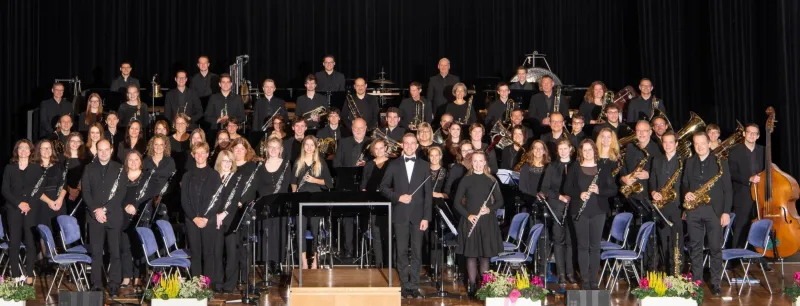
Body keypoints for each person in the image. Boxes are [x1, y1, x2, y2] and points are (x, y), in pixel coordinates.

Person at [379, 133, 432, 299]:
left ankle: (414, 286)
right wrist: (398, 197)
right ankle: (403, 285)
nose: (409, 146)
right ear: (403, 145)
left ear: (417, 146)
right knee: (401, 252)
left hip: (418, 217)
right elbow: (383, 187)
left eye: (412, 144)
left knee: (417, 252)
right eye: (406, 143)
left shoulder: (424, 165)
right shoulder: (394, 165)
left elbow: (428, 194)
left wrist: (426, 217)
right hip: (400, 214)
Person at [683, 131, 732, 296]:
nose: (699, 147)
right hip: (694, 211)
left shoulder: (721, 162)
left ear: (709, 143)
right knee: (695, 248)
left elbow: (728, 190)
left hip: (714, 211)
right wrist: (686, 193)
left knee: (715, 249)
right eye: (696, 143)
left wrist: (726, 212)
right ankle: (697, 282)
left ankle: (716, 283)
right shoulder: (689, 162)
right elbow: (684, 184)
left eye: (702, 143)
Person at [565, 139, 617, 289]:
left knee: (595, 247)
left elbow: (613, 189)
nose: (587, 153)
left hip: (598, 211)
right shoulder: (575, 167)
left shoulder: (603, 168)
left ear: (595, 151)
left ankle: (594, 281)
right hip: (579, 211)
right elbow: (567, 188)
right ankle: (585, 281)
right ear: (581, 152)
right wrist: (579, 194)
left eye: (590, 150)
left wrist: (599, 191)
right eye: (584, 150)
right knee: (582, 246)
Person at [453, 151, 503, 296]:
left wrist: (489, 209)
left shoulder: (491, 180)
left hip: (487, 221)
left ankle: (485, 286)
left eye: (480, 161)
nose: (478, 164)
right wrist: (468, 215)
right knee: (471, 255)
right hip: (470, 221)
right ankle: (472, 285)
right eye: (475, 161)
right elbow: (457, 203)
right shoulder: (466, 180)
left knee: (485, 255)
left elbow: (500, 201)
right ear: (471, 163)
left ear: (485, 162)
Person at [82, 139, 127, 295]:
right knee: (96, 252)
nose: (103, 152)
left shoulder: (120, 169)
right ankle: (96, 284)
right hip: (94, 217)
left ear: (112, 149)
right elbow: (86, 192)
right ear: (96, 150)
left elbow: (120, 193)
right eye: (100, 150)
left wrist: (105, 209)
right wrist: (96, 210)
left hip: (113, 216)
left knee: (115, 252)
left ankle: (114, 284)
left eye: (106, 149)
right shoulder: (88, 168)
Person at [2, 140, 41, 285]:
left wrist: (27, 204)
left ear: (31, 151)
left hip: (30, 210)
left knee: (30, 242)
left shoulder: (36, 169)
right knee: (14, 243)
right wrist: (19, 203)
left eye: (26, 148)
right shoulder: (9, 168)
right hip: (13, 209)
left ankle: (29, 273)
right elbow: (5, 190)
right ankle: (15, 276)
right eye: (20, 148)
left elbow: (38, 190)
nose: (23, 150)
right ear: (16, 151)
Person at [181, 142, 222, 278]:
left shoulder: (214, 175)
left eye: (202, 152)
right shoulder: (187, 176)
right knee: (195, 253)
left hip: (208, 220)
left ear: (207, 154)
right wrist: (194, 218)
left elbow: (217, 200)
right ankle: (196, 285)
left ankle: (206, 286)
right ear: (193, 155)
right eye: (197, 153)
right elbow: (184, 200)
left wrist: (206, 217)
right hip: (191, 220)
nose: (199, 155)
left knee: (208, 254)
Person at [292, 136, 334, 269]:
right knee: (300, 230)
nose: (309, 148)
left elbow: (329, 183)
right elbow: (293, 182)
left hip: (316, 200)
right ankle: (304, 261)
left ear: (315, 147)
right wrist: (295, 194)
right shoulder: (298, 162)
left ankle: (316, 260)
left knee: (316, 231)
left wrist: (314, 180)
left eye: (312, 145)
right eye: (306, 145)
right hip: (301, 200)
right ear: (303, 146)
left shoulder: (320, 162)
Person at [253, 137, 293, 272]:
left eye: (276, 147)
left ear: (281, 149)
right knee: (266, 232)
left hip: (279, 204)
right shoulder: (260, 166)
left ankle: (278, 262)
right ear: (266, 149)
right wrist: (266, 199)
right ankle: (267, 261)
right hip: (265, 205)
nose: (273, 150)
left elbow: (286, 184)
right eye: (271, 147)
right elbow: (257, 186)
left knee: (279, 232)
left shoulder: (286, 164)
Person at [541, 139, 576, 284]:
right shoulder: (552, 167)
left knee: (571, 241)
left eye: (565, 148)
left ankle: (571, 273)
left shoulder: (576, 165)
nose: (562, 151)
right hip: (557, 207)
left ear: (570, 149)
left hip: (573, 207)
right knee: (559, 240)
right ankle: (561, 273)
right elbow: (545, 188)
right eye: (560, 149)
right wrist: (560, 196)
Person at [648, 131, 684, 274]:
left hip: (677, 207)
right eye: (665, 142)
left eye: (671, 142)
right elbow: (652, 180)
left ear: (676, 144)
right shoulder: (656, 160)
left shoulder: (683, 161)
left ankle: (678, 273)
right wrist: (653, 192)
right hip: (661, 207)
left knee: (677, 241)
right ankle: (668, 272)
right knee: (664, 240)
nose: (668, 145)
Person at [727, 124, 764, 248]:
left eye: (755, 133)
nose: (752, 135)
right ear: (744, 134)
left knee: (761, 225)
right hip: (742, 193)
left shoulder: (763, 151)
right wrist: (749, 178)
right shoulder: (734, 151)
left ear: (758, 136)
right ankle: (735, 258)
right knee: (740, 226)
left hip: (761, 193)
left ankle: (760, 255)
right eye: (749, 132)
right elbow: (731, 173)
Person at [210, 150, 242, 293]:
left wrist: (223, 214)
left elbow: (235, 200)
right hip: (215, 219)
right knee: (216, 252)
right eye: (224, 160)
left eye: (230, 161)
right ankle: (217, 283)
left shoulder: (236, 178)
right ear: (219, 162)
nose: (227, 164)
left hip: (230, 219)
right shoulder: (213, 177)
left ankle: (229, 284)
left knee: (231, 253)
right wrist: (215, 215)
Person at [119, 150, 149, 290]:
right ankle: (126, 276)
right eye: (130, 159)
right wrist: (125, 205)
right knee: (125, 248)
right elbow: (116, 195)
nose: (133, 162)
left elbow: (148, 196)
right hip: (123, 215)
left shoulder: (146, 177)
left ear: (141, 162)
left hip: (140, 216)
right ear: (127, 162)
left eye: (136, 159)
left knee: (138, 248)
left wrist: (136, 207)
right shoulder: (121, 177)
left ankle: (137, 277)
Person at [358, 138, 389, 266]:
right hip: (374, 201)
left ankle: (389, 263)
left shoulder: (393, 163)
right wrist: (363, 191)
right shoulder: (369, 164)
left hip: (388, 201)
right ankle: (379, 263)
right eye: (376, 148)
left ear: (386, 148)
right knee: (376, 232)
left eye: (381, 148)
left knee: (387, 232)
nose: (379, 151)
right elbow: (363, 183)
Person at [34, 139, 66, 230]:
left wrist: (59, 200)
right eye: (43, 148)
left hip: (59, 202)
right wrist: (50, 202)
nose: (46, 150)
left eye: (48, 148)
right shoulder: (34, 167)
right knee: (45, 232)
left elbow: (64, 184)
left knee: (61, 233)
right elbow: (35, 188)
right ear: (39, 150)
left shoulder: (59, 165)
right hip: (42, 203)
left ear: (52, 150)